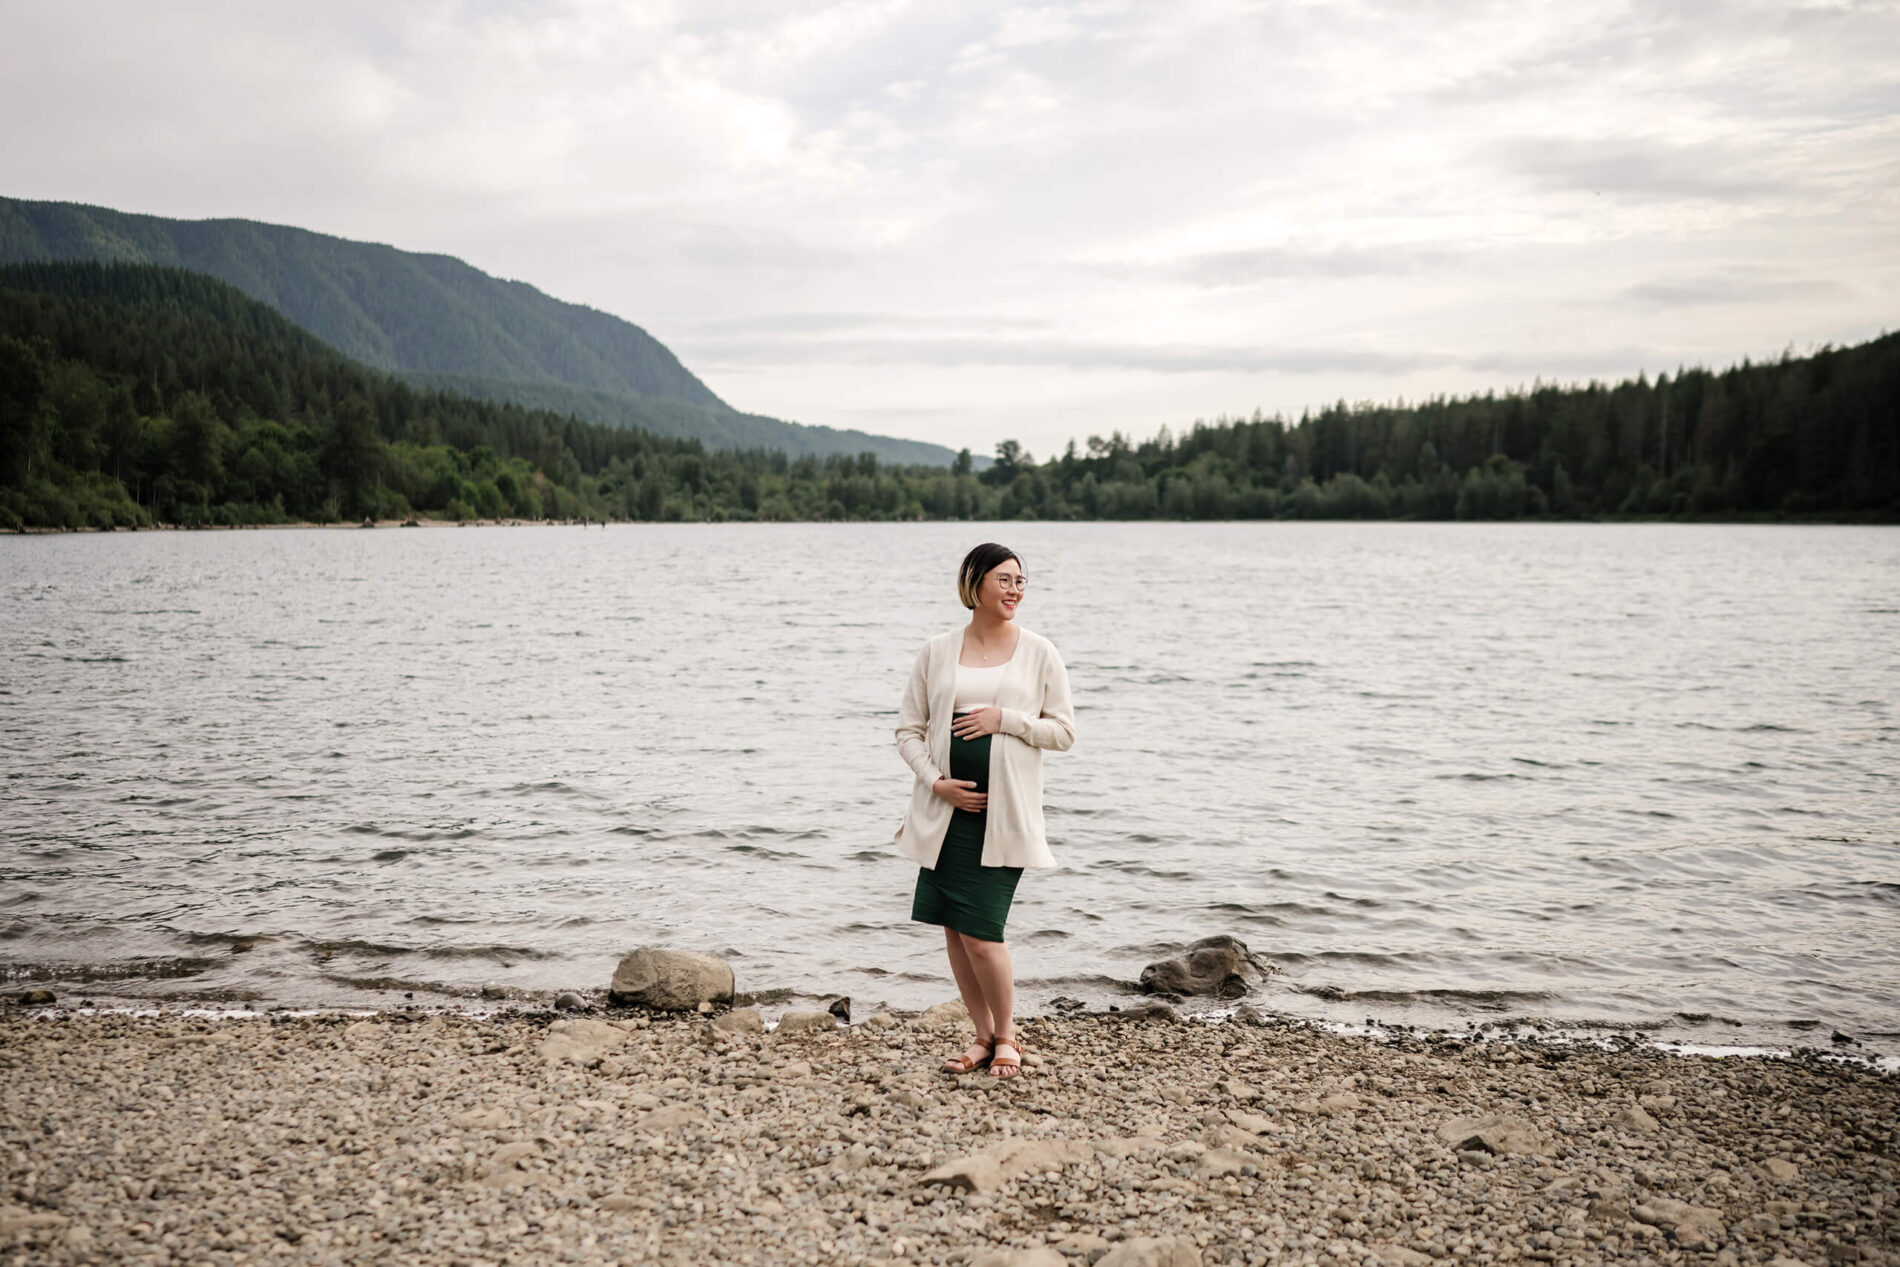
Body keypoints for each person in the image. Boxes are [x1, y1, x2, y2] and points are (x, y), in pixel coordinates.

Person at [894, 543, 1075, 1078]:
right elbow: (907, 731)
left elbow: (1063, 732)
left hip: (1003, 818)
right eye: (1004, 579)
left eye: (1021, 580)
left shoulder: (1040, 652)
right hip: (944, 814)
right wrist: (938, 784)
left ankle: (1008, 1038)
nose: (1015, 589)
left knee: (982, 933)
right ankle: (981, 1035)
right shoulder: (937, 650)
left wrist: (1007, 720)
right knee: (954, 929)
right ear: (974, 584)